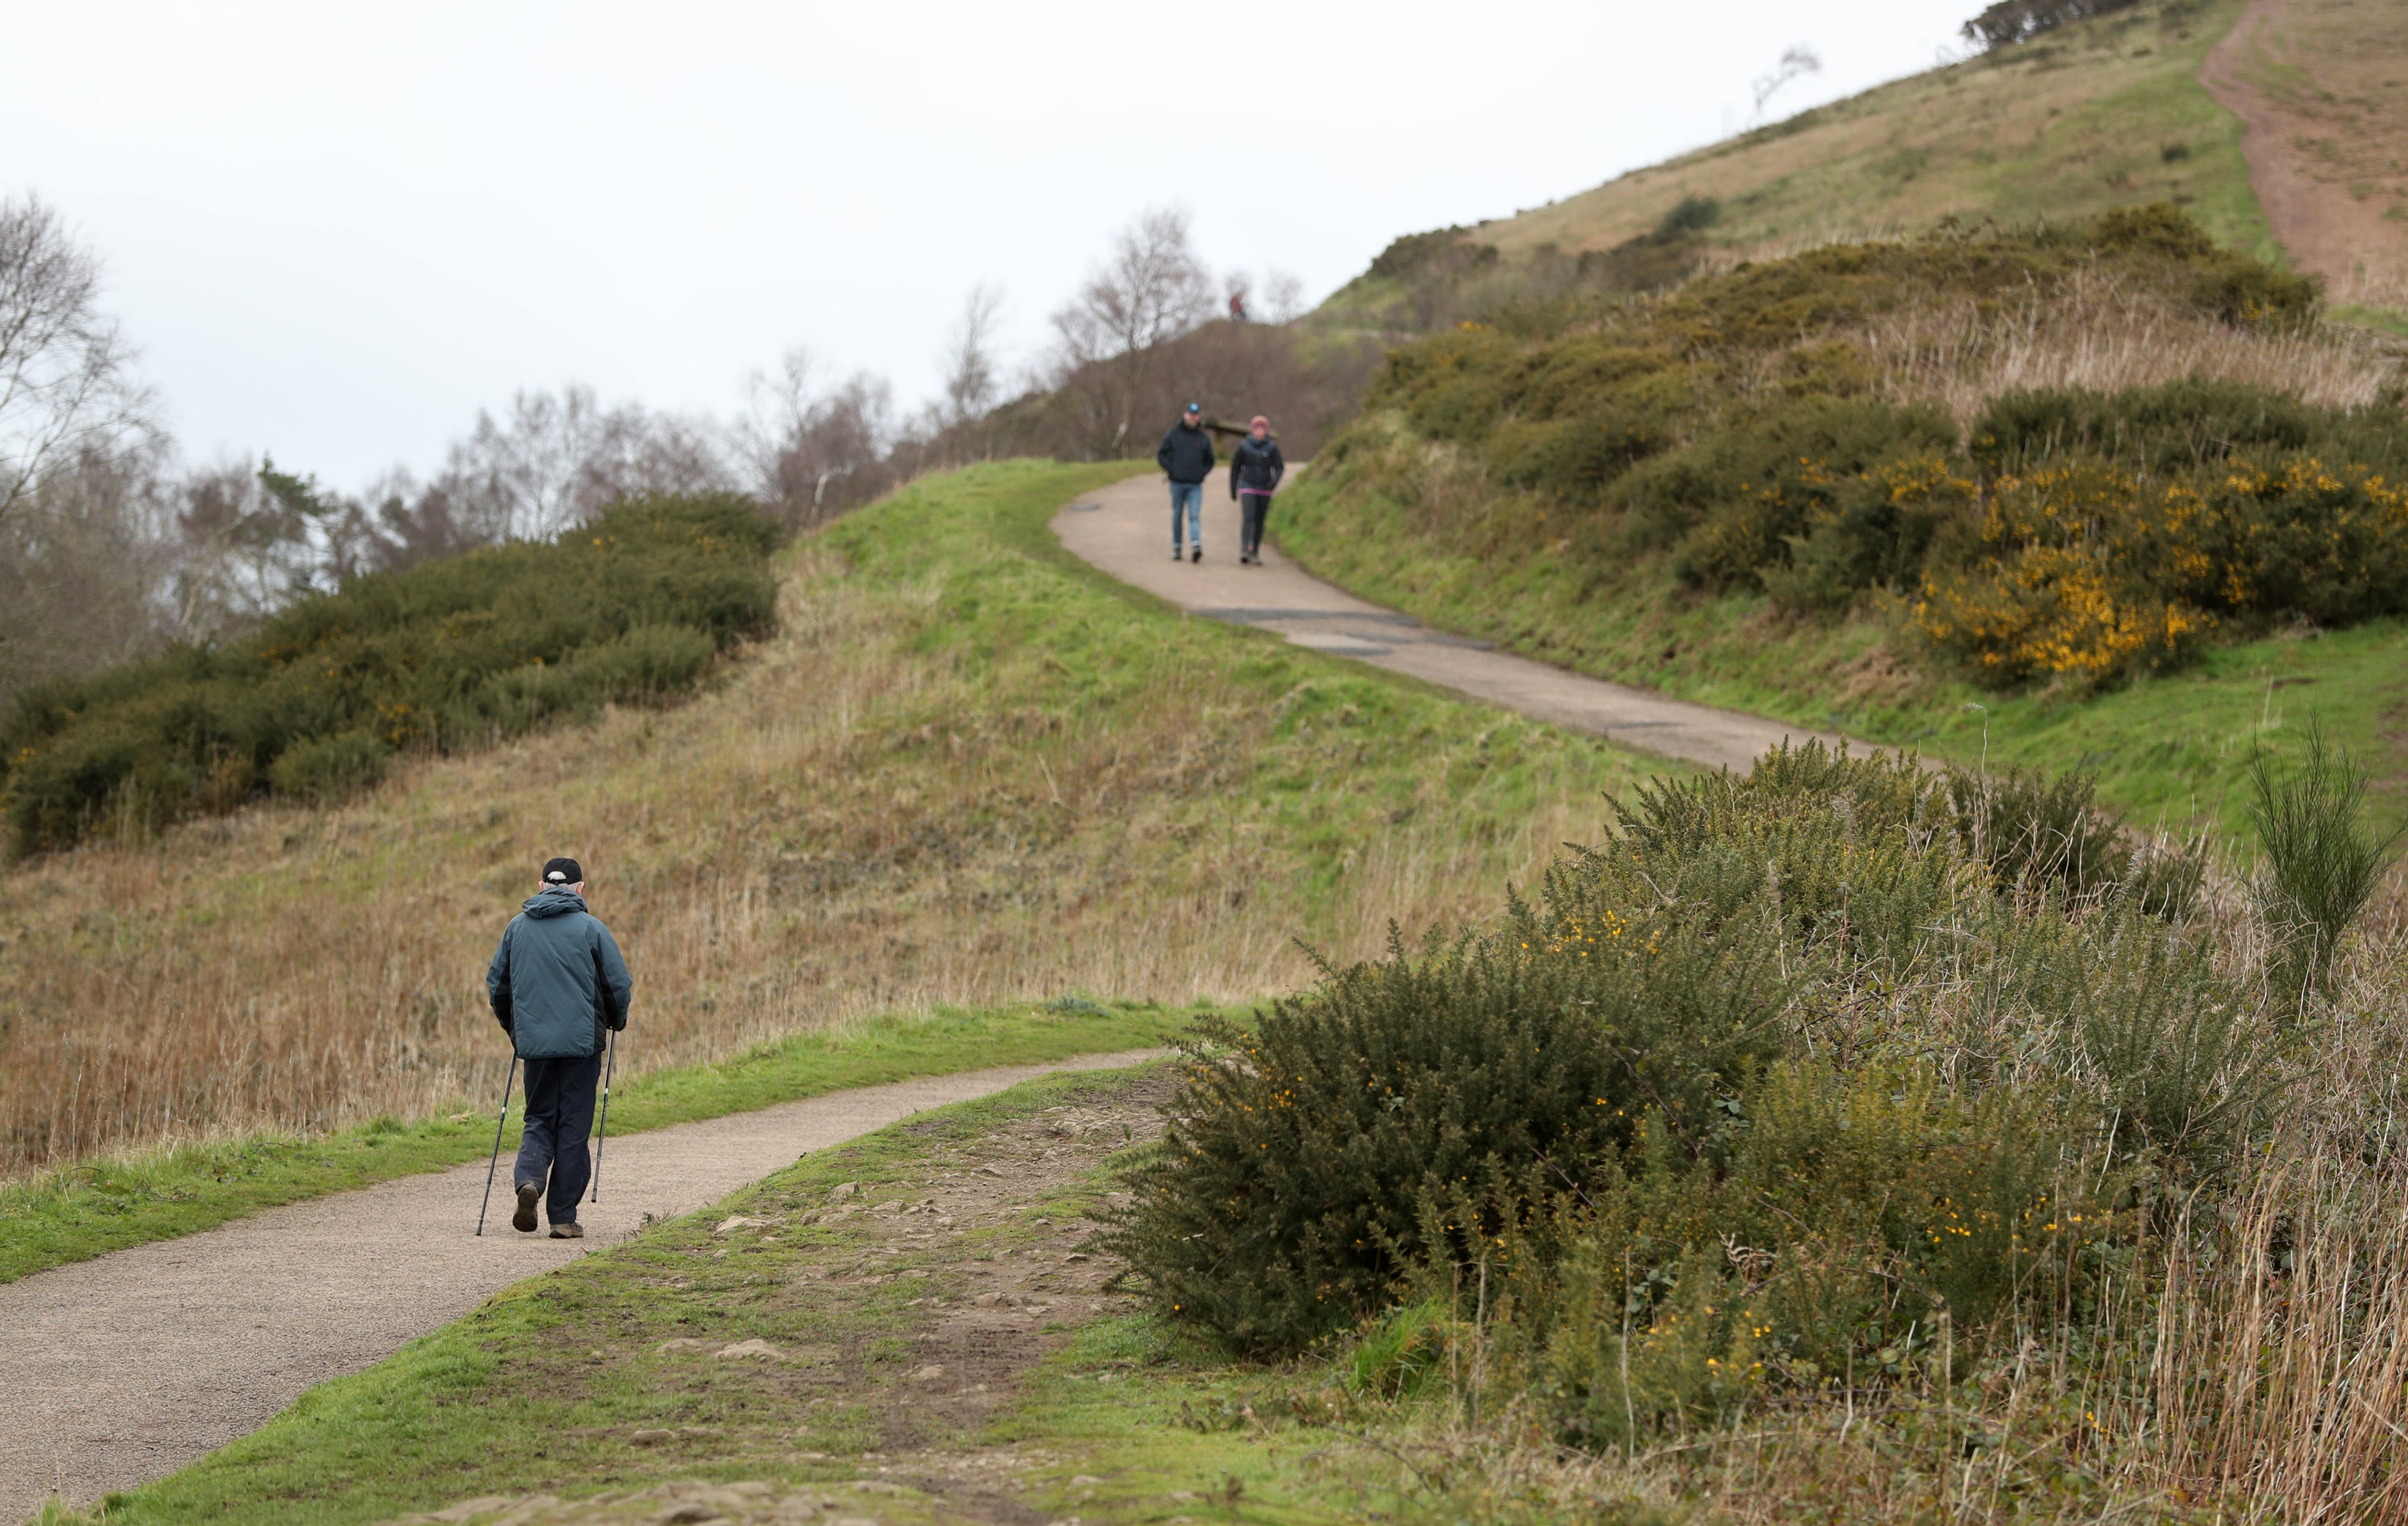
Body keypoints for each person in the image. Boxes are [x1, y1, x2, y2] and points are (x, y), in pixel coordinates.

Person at [486, 856, 633, 1239]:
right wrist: (616, 1020)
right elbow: (617, 985)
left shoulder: (516, 929)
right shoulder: (591, 929)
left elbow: (498, 988)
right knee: (573, 1126)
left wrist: (517, 1031)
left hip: (535, 1047)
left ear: (540, 886)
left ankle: (530, 1180)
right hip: (582, 1047)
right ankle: (563, 1218)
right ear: (580, 889)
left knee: (538, 1118)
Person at [1157, 402, 1215, 563]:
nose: (1193, 418)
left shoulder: (1202, 438)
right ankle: (1177, 546)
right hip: (1177, 483)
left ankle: (1196, 545)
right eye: (1190, 414)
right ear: (1185, 415)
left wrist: (1202, 472)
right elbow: (1162, 453)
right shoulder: (1173, 434)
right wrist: (1170, 469)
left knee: (1194, 515)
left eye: (1196, 415)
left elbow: (1210, 459)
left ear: (1199, 417)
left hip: (1195, 484)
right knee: (1177, 515)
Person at [1230, 415, 1285, 565]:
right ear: (1252, 430)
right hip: (1248, 486)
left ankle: (1254, 551)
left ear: (1266, 431)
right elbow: (1235, 468)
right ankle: (1244, 550)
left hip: (1264, 489)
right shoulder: (1244, 447)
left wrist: (1273, 483)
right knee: (1248, 518)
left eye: (1262, 429)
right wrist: (1233, 489)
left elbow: (1280, 467)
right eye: (1257, 428)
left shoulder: (1272, 448)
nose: (1259, 432)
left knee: (1259, 521)